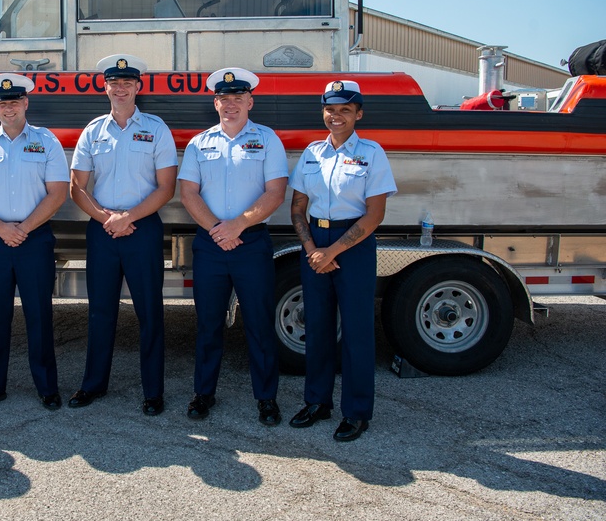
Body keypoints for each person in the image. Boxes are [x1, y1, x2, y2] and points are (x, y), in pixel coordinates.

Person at [177, 68, 288, 425]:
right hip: (211, 244)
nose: (231, 105)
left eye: (238, 98)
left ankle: (266, 398)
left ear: (250, 101)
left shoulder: (268, 139)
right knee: (208, 324)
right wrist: (217, 229)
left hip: (251, 242)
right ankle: (203, 394)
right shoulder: (199, 143)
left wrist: (238, 224)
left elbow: (275, 192)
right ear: (215, 102)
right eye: (224, 99)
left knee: (258, 323)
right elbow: (188, 193)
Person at [287, 79, 396, 442]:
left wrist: (331, 252)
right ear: (324, 112)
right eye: (331, 109)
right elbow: (298, 207)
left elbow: (374, 214)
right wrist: (312, 249)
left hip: (354, 244)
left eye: (345, 110)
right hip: (314, 242)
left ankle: (356, 411)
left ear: (358, 114)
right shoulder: (312, 153)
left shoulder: (372, 153)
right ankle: (317, 402)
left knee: (356, 332)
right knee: (316, 328)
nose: (336, 116)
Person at [68, 54, 176, 416]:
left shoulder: (157, 128)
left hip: (142, 229)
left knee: (150, 312)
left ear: (138, 87)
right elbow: (77, 187)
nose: (121, 88)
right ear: (105, 87)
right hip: (103, 231)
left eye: (128, 82)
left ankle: (153, 392)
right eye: (114, 82)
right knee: (100, 312)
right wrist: (107, 219)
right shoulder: (92, 130)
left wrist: (127, 217)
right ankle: (93, 384)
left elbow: (166, 187)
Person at [0, 73, 69, 412]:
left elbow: (58, 192)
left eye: (14, 102)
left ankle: (47, 387)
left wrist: (23, 228)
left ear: (26, 103)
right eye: (2, 103)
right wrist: (1, 228)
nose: (9, 108)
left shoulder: (46, 141)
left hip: (34, 240)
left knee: (39, 314)